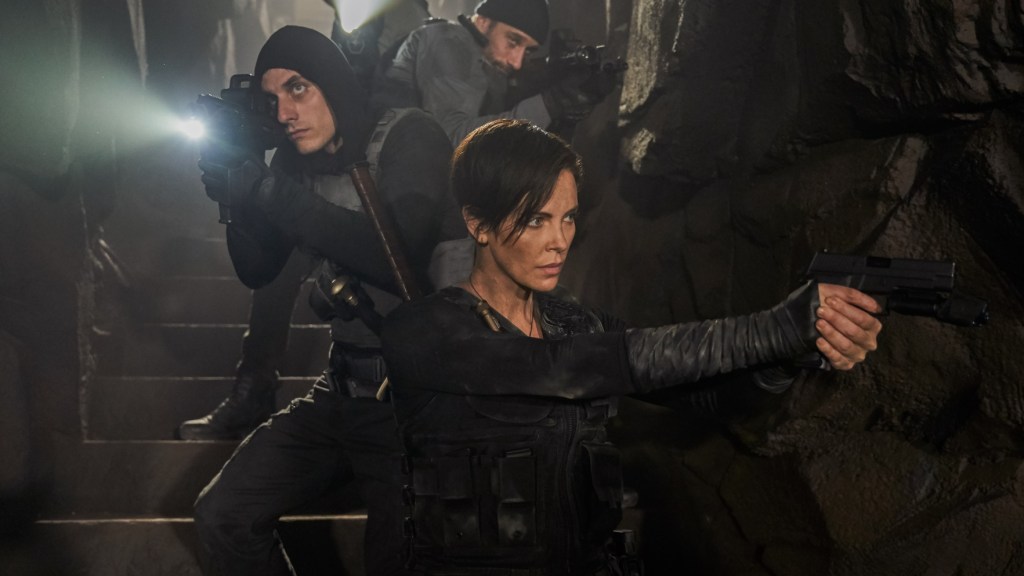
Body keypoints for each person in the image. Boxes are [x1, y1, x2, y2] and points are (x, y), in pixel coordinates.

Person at [380, 119, 884, 574]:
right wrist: (776, 328)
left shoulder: (575, 322)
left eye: (568, 217)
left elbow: (712, 399)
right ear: (477, 223)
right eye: (536, 220)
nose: (560, 240)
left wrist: (787, 358)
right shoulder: (423, 332)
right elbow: (566, 367)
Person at [190, 26, 467, 576]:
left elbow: (398, 253)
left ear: (333, 86)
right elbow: (256, 269)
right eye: (272, 99)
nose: (286, 113)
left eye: (298, 88)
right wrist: (238, 191)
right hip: (341, 392)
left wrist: (268, 191)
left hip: (416, 404)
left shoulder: (410, 134)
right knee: (224, 514)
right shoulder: (295, 161)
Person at [371, 0, 612, 146]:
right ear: (484, 22)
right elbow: (451, 137)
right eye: (513, 41)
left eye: (528, 51)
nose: (517, 62)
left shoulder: (484, 61)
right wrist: (550, 104)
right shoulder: (451, 41)